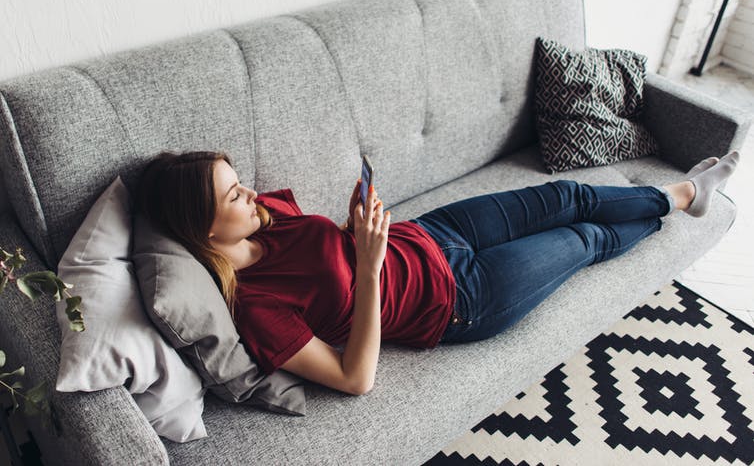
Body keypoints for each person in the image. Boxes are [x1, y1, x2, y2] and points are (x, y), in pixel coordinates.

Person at [135, 150, 740, 396]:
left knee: (564, 196)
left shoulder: (267, 219)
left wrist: (355, 230)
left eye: (240, 181)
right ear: (205, 231)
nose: (253, 195)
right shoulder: (257, 311)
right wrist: (368, 266)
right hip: (461, 300)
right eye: (234, 194)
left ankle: (679, 195)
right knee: (585, 239)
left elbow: (331, 255)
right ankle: (680, 202)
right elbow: (355, 377)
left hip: (431, 234)